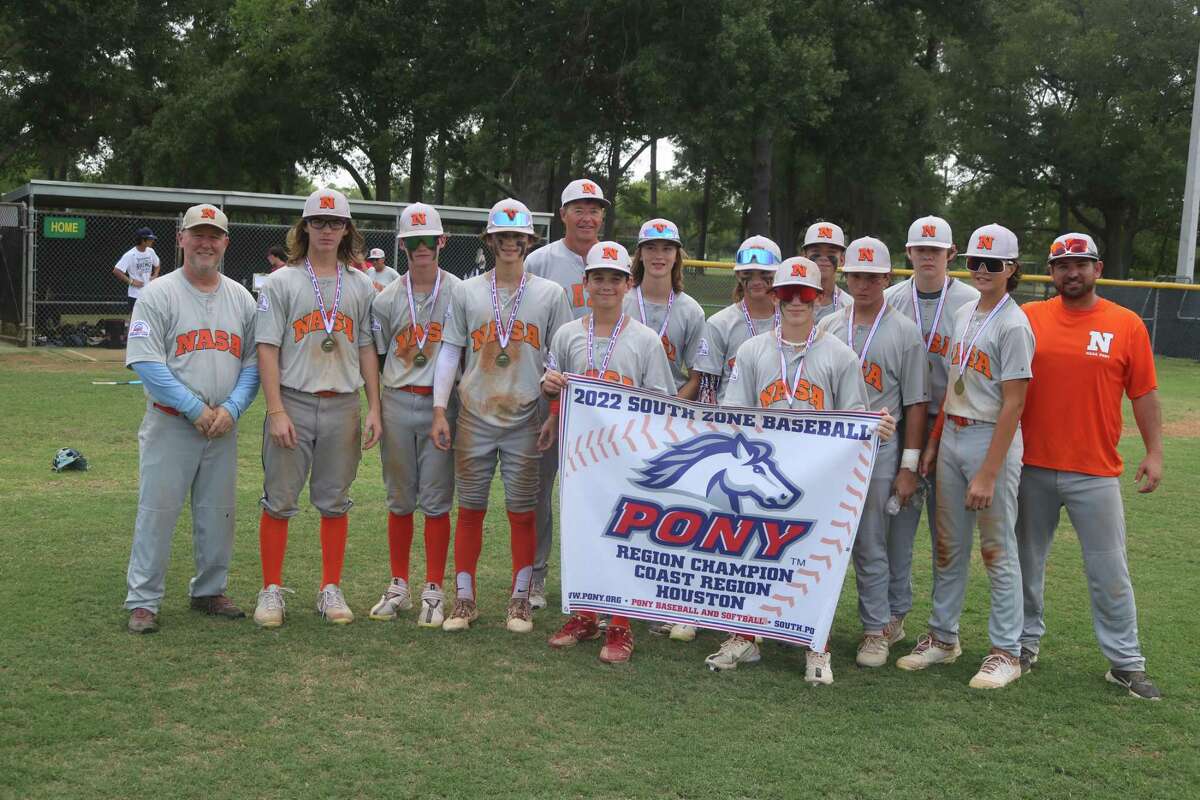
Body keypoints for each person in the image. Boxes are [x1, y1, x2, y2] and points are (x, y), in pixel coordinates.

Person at [708, 256, 897, 682]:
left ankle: (816, 644)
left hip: (819, 478)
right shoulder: (753, 350)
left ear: (818, 299)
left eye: (805, 294)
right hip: (766, 476)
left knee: (816, 560)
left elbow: (855, 418)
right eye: (787, 293)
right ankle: (745, 636)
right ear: (775, 297)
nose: (796, 301)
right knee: (752, 553)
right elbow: (735, 413)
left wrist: (877, 427)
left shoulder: (839, 355)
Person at [1016, 233, 1163, 700]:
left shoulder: (1126, 323)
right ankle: (1021, 645)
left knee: (1109, 569)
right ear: (1051, 273)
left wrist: (1155, 452)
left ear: (1097, 269)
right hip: (1031, 466)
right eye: (1062, 266)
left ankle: (1125, 662)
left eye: (1080, 264)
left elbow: (1143, 393)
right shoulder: (1028, 317)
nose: (1071, 273)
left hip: (1095, 470)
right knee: (1025, 564)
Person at [897, 223, 1034, 689]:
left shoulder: (1015, 324)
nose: (981, 270)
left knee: (997, 550)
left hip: (990, 438)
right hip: (953, 432)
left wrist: (989, 472)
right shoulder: (965, 312)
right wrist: (934, 443)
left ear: (1011, 269)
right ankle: (942, 637)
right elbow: (953, 386)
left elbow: (1015, 404)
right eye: (975, 261)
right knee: (947, 546)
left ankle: (1006, 652)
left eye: (992, 264)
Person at [431, 198, 572, 633]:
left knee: (523, 509)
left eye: (518, 236)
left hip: (526, 414)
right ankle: (465, 598)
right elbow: (451, 350)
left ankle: (520, 598)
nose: (510, 243)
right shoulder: (466, 290)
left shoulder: (550, 293)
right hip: (474, 412)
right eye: (502, 236)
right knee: (470, 508)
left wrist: (552, 414)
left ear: (530, 241)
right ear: (490, 240)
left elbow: (560, 358)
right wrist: (440, 409)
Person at [123, 204, 259, 633]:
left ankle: (209, 590)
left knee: (218, 511)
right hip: (171, 422)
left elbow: (254, 363)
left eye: (214, 235)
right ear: (180, 238)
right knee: (157, 511)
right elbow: (146, 363)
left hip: (222, 423)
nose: (205, 242)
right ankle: (144, 600)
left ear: (225, 243)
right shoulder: (157, 293)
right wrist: (195, 408)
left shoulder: (240, 297)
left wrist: (233, 408)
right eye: (197, 234)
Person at [253, 188, 382, 628]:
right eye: (319, 222)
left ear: (347, 229)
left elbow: (367, 348)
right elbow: (266, 349)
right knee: (279, 500)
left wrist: (374, 407)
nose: (327, 230)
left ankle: (330, 587)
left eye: (336, 223)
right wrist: (275, 411)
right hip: (294, 398)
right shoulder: (282, 281)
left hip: (343, 402)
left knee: (334, 500)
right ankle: (271, 589)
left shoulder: (361, 283)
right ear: (304, 227)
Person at [540, 241, 675, 663]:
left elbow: (661, 400)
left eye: (615, 278)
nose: (606, 286)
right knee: (581, 533)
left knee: (623, 536)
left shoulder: (645, 340)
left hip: (625, 459)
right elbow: (551, 379)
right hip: (578, 455)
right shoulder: (567, 333)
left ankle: (621, 623)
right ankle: (584, 615)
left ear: (627, 284)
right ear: (585, 284)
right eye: (598, 277)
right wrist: (549, 390)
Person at [816, 238, 928, 674]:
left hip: (879, 453)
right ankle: (811, 624)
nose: (863, 284)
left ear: (888, 278)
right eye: (856, 275)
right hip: (832, 453)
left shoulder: (904, 331)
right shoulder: (828, 324)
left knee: (870, 544)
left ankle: (877, 629)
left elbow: (916, 403)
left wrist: (909, 466)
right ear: (846, 275)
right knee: (820, 541)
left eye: (872, 276)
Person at [882, 216, 979, 644]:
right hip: (903, 426)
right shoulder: (889, 299)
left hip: (955, 424)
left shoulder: (972, 301)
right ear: (908, 253)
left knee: (949, 535)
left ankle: (944, 630)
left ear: (950, 254)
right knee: (896, 529)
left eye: (934, 250)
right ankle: (894, 613)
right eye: (920, 249)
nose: (927, 256)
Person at [368, 203, 461, 627]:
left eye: (429, 240)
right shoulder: (387, 297)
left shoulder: (459, 292)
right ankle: (399, 584)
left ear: (442, 241)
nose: (421, 248)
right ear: (401, 245)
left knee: (437, 500)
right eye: (412, 242)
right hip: (398, 398)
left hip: (442, 403)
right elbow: (381, 351)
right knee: (400, 498)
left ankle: (434, 588)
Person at [525, 178, 608, 610]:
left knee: (601, 492)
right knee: (540, 489)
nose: (587, 217)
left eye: (594, 210)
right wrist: (546, 376)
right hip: (551, 390)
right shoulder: (539, 260)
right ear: (563, 215)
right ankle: (536, 576)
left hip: (603, 403)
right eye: (578, 208)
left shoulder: (614, 260)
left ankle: (598, 583)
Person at [622, 218, 707, 400]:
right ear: (640, 254)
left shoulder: (691, 311)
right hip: (622, 403)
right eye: (650, 248)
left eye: (667, 249)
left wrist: (669, 409)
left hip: (670, 407)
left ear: (676, 255)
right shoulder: (621, 302)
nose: (658, 255)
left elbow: (696, 378)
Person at [693, 235, 783, 406]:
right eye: (748, 273)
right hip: (731, 421)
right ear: (737, 274)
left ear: (779, 273)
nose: (756, 280)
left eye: (765, 273)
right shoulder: (720, 324)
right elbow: (708, 389)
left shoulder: (792, 321)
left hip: (777, 422)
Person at [801, 222, 853, 324]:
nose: (823, 258)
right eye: (816, 252)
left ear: (842, 259)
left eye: (831, 253)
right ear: (804, 256)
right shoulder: (789, 301)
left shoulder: (850, 306)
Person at [113, 226, 161, 312]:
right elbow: (117, 271)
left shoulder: (150, 251)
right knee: (136, 321)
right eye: (150, 239)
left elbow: (157, 264)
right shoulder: (130, 255)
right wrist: (131, 281)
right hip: (135, 295)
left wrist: (155, 275)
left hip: (149, 293)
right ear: (143, 240)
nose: (152, 241)